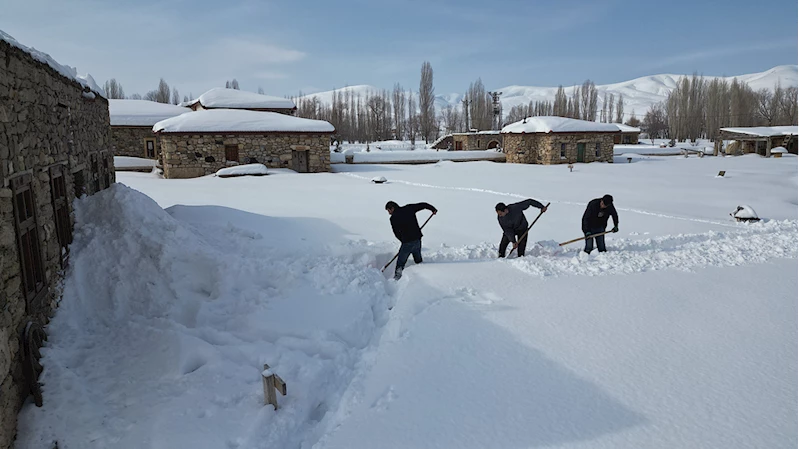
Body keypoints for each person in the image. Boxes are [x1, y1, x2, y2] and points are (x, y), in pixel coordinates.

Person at [386, 201, 437, 280]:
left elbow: (396, 233)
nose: (389, 213)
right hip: (417, 239)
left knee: (400, 263)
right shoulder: (409, 208)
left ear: (392, 208)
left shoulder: (393, 218)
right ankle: (422, 274)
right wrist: (432, 209)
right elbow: (422, 205)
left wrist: (403, 240)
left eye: (389, 210)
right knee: (418, 260)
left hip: (407, 243)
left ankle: (397, 278)